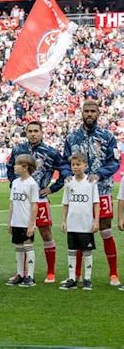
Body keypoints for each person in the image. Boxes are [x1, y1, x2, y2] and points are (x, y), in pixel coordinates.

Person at [61, 100, 120, 286]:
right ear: (81, 113)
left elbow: (114, 162)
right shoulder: (72, 138)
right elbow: (64, 162)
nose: (89, 114)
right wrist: (66, 175)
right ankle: (77, 274)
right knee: (79, 230)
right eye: (86, 111)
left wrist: (99, 175)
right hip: (78, 191)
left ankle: (113, 273)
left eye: (93, 111)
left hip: (101, 191)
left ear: (98, 113)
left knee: (105, 229)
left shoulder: (108, 137)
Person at [6, 121, 64, 283]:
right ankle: (21, 273)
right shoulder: (18, 150)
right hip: (21, 202)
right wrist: (14, 184)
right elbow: (10, 168)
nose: (33, 134)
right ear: (26, 132)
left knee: (46, 233)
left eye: (36, 131)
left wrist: (52, 188)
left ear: (41, 132)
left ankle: (51, 272)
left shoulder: (51, 152)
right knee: (21, 236)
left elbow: (64, 171)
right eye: (30, 131)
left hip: (40, 199)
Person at [59, 153, 99, 291]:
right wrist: (63, 220)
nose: (75, 167)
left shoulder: (91, 182)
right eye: (73, 165)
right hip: (72, 224)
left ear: (85, 166)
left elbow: (96, 203)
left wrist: (96, 221)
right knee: (71, 251)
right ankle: (72, 278)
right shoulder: (69, 182)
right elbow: (66, 203)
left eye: (78, 164)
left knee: (87, 251)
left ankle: (87, 279)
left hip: (86, 224)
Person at [6, 154, 39, 288]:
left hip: (26, 222)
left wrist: (31, 224)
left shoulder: (32, 184)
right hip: (16, 221)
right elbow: (12, 203)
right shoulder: (15, 182)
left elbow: (34, 205)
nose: (14, 166)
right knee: (18, 247)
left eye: (17, 164)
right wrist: (9, 222)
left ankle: (30, 276)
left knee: (28, 246)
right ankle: (20, 274)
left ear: (25, 167)